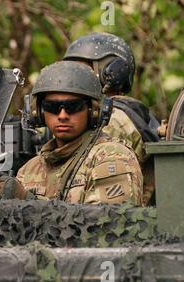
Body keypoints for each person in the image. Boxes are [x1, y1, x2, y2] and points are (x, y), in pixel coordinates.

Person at [0, 61, 143, 205]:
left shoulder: (111, 157)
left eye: (73, 106)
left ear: (94, 111)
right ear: (38, 112)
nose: (62, 115)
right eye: (51, 107)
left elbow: (107, 223)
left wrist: (28, 201)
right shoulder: (30, 169)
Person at [63, 32, 159, 205]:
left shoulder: (113, 119)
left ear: (113, 72)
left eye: (81, 70)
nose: (72, 78)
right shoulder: (127, 113)